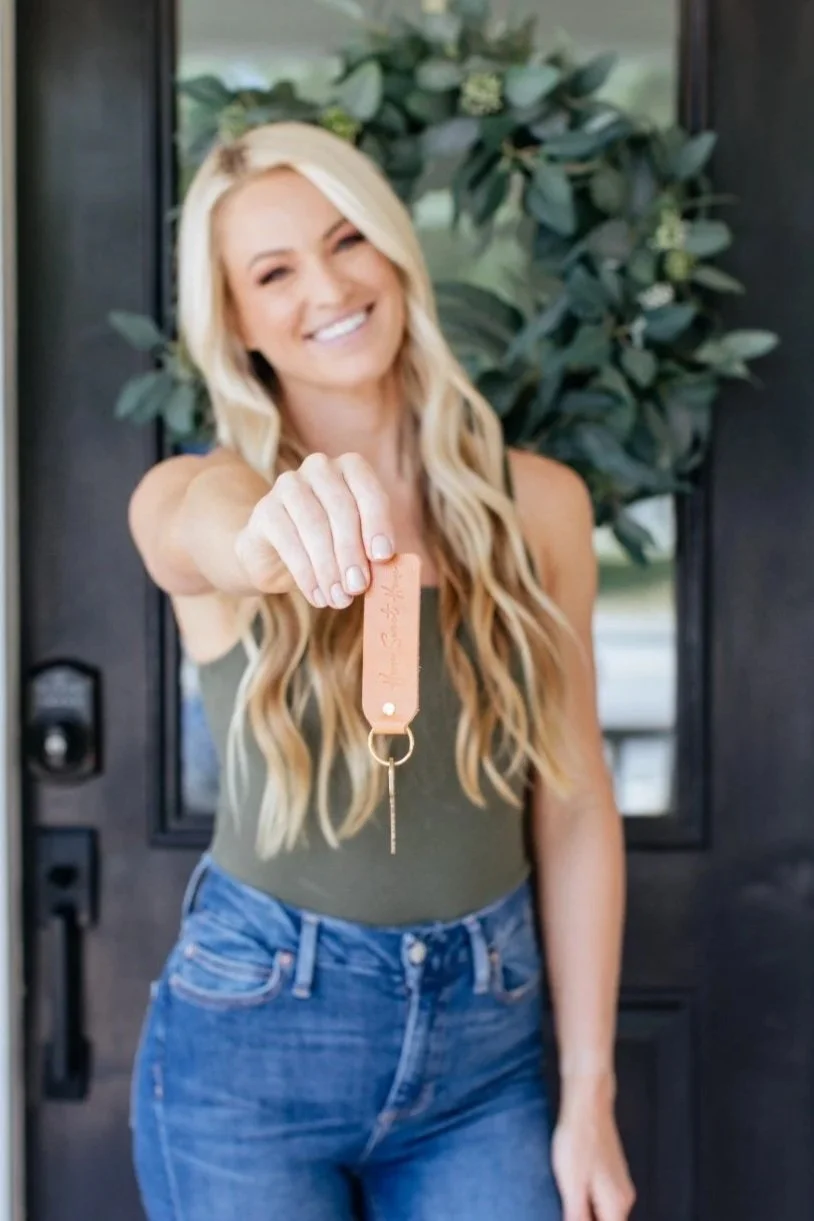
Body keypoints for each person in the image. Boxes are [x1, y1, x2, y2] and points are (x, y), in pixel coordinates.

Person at [128, 120, 635, 1221]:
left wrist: (587, 1093)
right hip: (256, 1037)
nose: (328, 285)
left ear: (397, 249)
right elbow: (182, 527)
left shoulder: (538, 506)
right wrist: (262, 537)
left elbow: (577, 801)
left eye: (347, 237)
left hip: (486, 1051)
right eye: (273, 271)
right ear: (239, 321)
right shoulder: (209, 495)